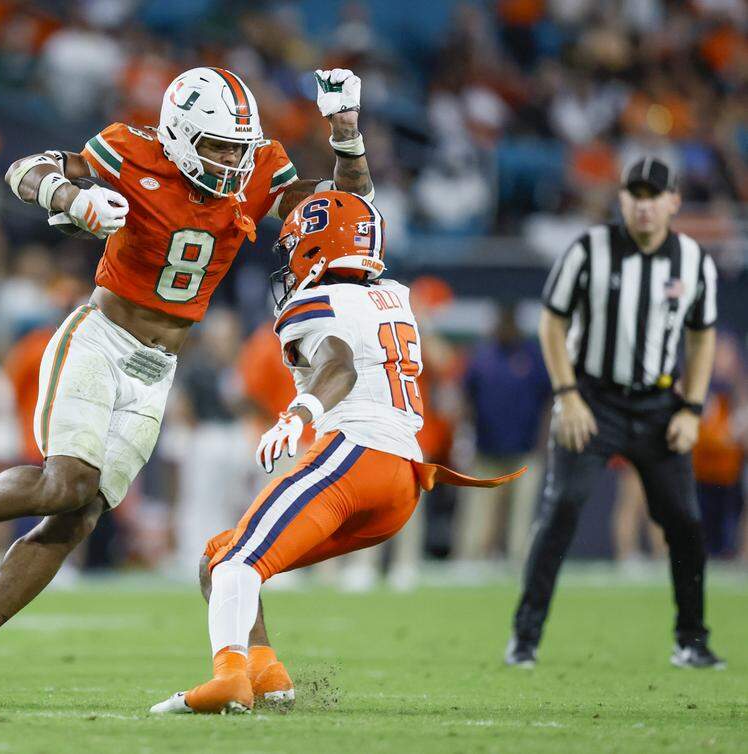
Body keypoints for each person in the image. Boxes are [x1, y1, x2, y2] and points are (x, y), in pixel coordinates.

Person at [0, 67, 375, 705]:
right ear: (180, 133)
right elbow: (23, 169)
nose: (230, 160)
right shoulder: (129, 150)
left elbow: (347, 209)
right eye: (218, 145)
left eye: (238, 147)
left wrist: (347, 135)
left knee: (77, 516)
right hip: (100, 339)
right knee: (68, 482)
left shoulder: (256, 169)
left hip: (157, 371)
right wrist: (69, 198)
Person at [150, 191, 523, 714]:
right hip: (403, 482)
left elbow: (339, 365)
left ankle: (227, 681)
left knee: (235, 563)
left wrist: (298, 414)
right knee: (221, 558)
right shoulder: (395, 293)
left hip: (354, 457)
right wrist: (348, 136)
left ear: (316, 247)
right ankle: (265, 674)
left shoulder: (310, 304)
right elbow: (354, 203)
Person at [507, 157, 723, 669]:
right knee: (561, 509)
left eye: (654, 196)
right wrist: (568, 395)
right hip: (592, 399)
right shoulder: (589, 250)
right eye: (635, 195)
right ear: (622, 199)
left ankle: (691, 639)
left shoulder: (693, 261)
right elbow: (552, 323)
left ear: (673, 201)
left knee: (686, 522)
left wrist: (691, 407)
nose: (643, 206)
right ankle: (525, 637)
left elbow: (702, 336)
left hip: (657, 404)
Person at [456, 303, 550, 564]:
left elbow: (548, 400)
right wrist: (465, 436)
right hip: (486, 448)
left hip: (525, 448)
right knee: (479, 512)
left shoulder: (531, 356)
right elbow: (466, 398)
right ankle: (471, 560)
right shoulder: (482, 357)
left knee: (521, 512)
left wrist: (543, 440)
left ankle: (518, 561)